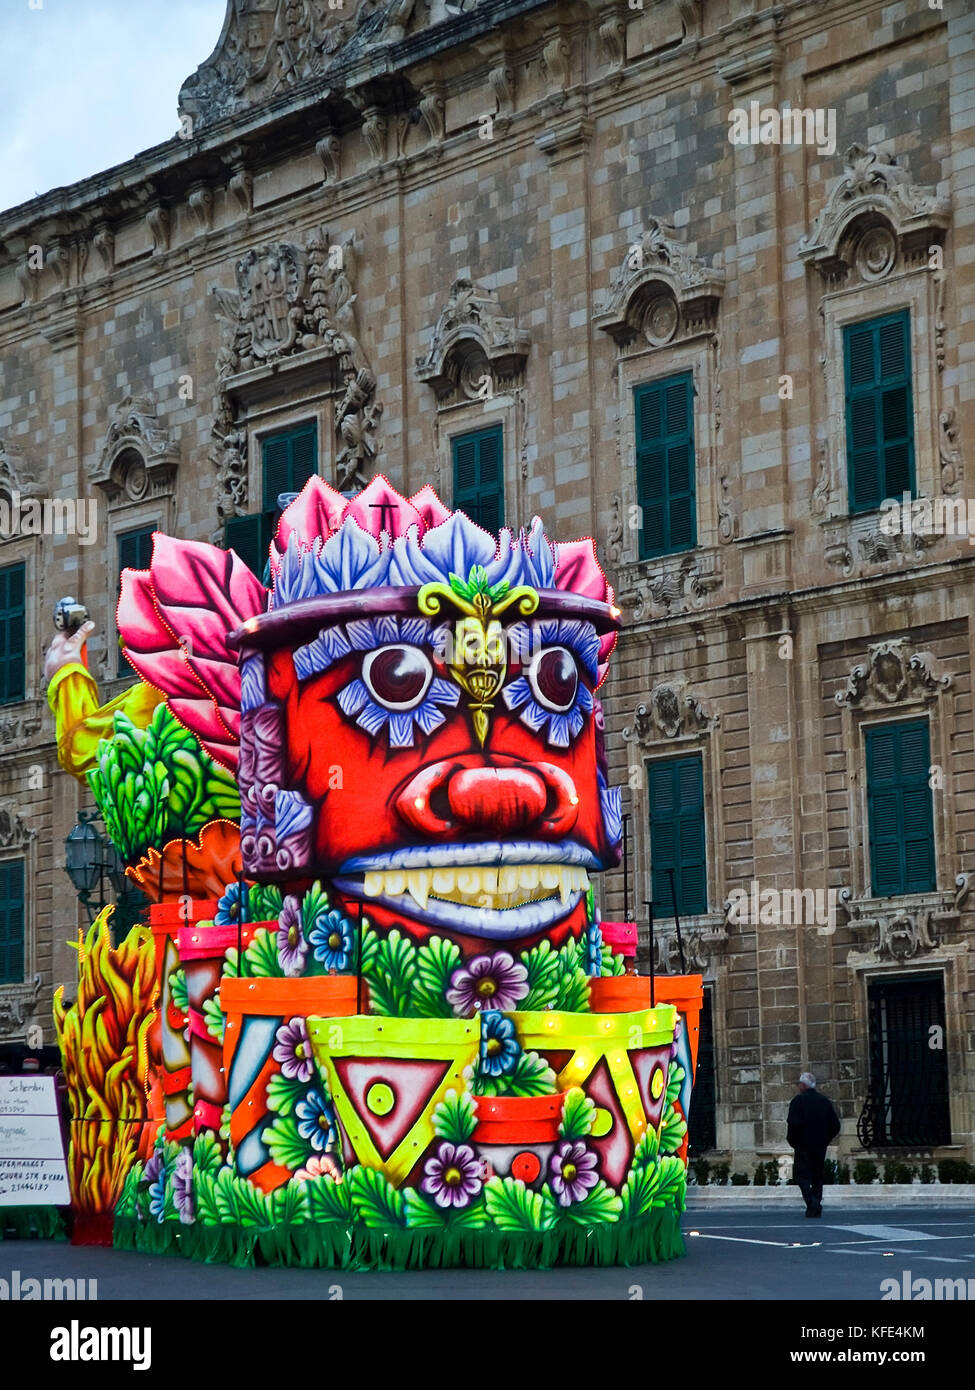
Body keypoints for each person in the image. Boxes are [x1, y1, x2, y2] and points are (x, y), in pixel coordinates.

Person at [787, 1072, 841, 1217]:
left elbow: (793, 1124)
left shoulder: (798, 1101)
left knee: (800, 1176)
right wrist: (825, 1139)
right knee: (817, 1176)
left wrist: (794, 1142)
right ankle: (814, 1206)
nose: (798, 1086)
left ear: (803, 1085)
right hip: (819, 1146)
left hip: (802, 1146)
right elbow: (835, 1125)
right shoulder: (824, 1101)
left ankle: (812, 1203)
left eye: (799, 1083)